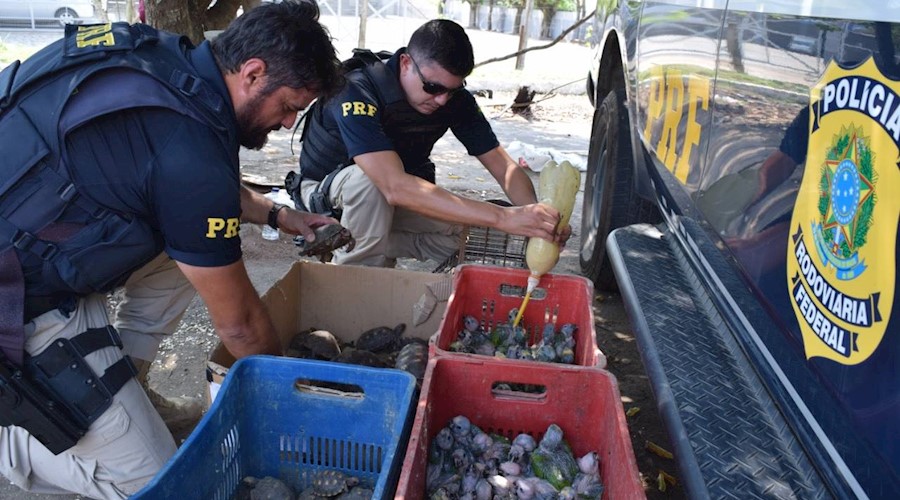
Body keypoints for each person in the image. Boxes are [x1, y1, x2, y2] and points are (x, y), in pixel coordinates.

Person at [0, 2, 342, 498]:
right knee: (161, 482)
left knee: (197, 252)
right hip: (15, 301)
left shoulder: (159, 58)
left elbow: (183, 182)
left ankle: (122, 388)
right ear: (252, 73)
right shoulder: (191, 146)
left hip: (30, 248)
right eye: (289, 106)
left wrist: (277, 214)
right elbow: (241, 323)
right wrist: (289, 407)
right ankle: (23, 427)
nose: (289, 123)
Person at [287, 19, 570, 267]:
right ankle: (354, 283)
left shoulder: (453, 100)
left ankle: (364, 241)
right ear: (406, 63)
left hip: (391, 201)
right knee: (370, 183)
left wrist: (538, 220)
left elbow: (502, 166)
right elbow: (392, 185)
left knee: (496, 236)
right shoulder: (356, 90)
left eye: (452, 90)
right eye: (433, 88)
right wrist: (501, 216)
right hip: (329, 200)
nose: (442, 100)